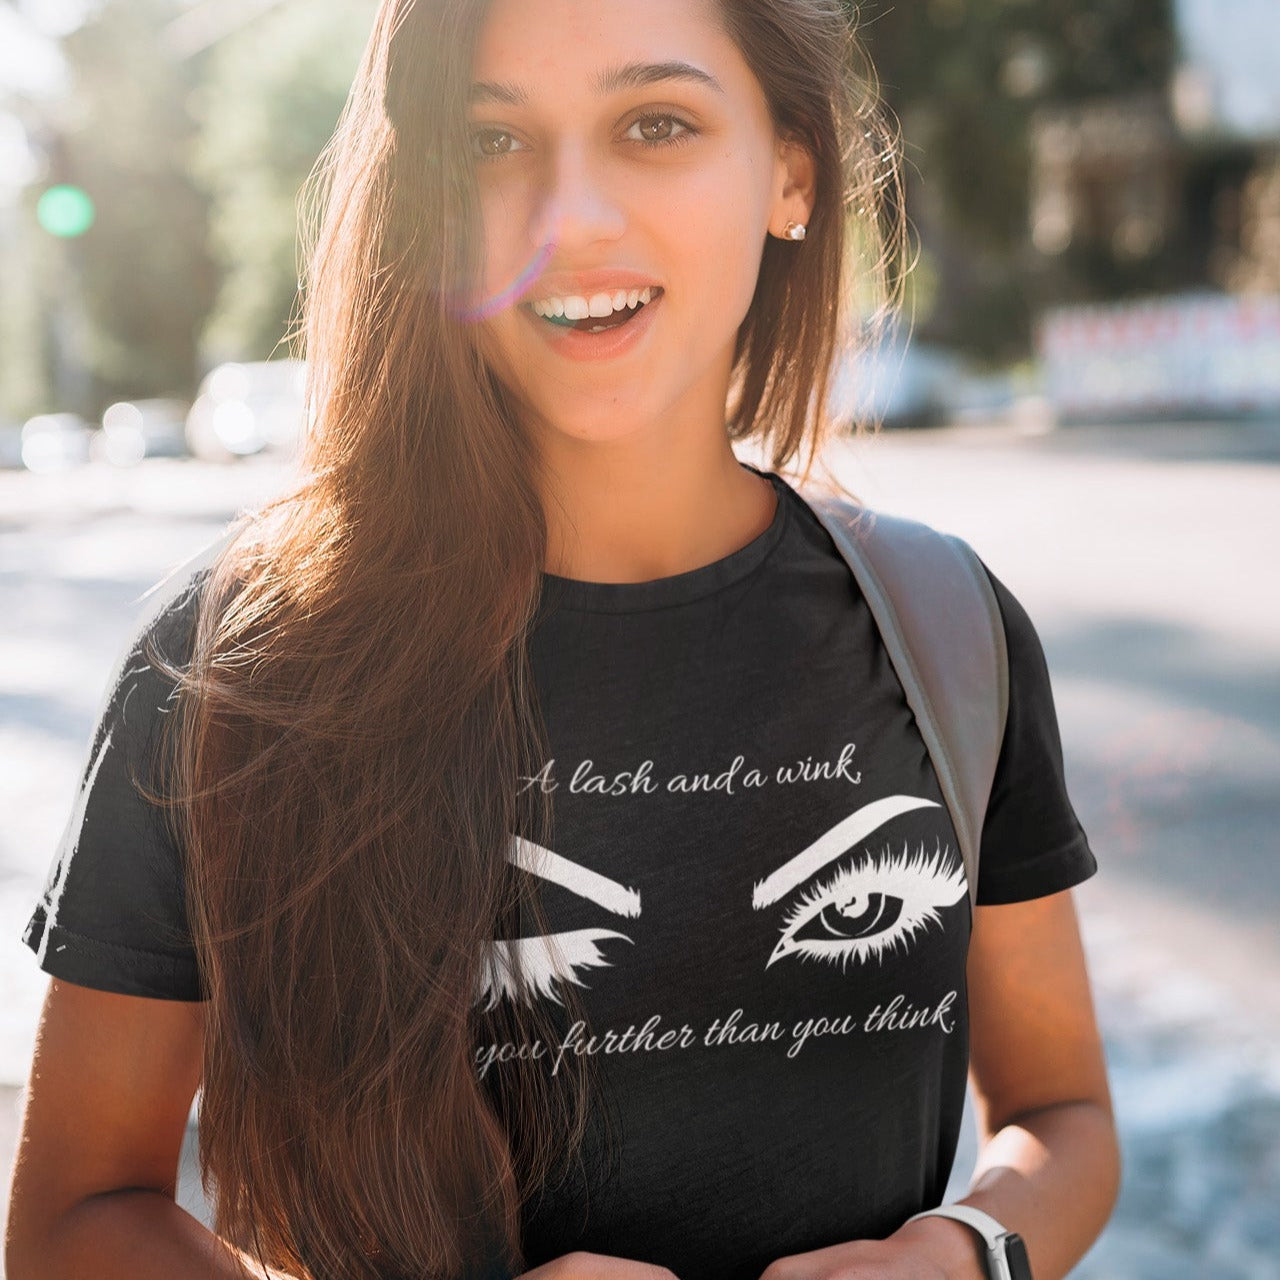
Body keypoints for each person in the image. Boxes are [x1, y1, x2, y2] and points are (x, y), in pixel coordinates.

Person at [5, 1, 1121, 1278]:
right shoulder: (227, 672)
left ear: (790, 173)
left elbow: (1062, 1117)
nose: (567, 219)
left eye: (656, 124)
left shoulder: (944, 628)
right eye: (490, 144)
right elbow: (71, 1222)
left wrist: (960, 1252)